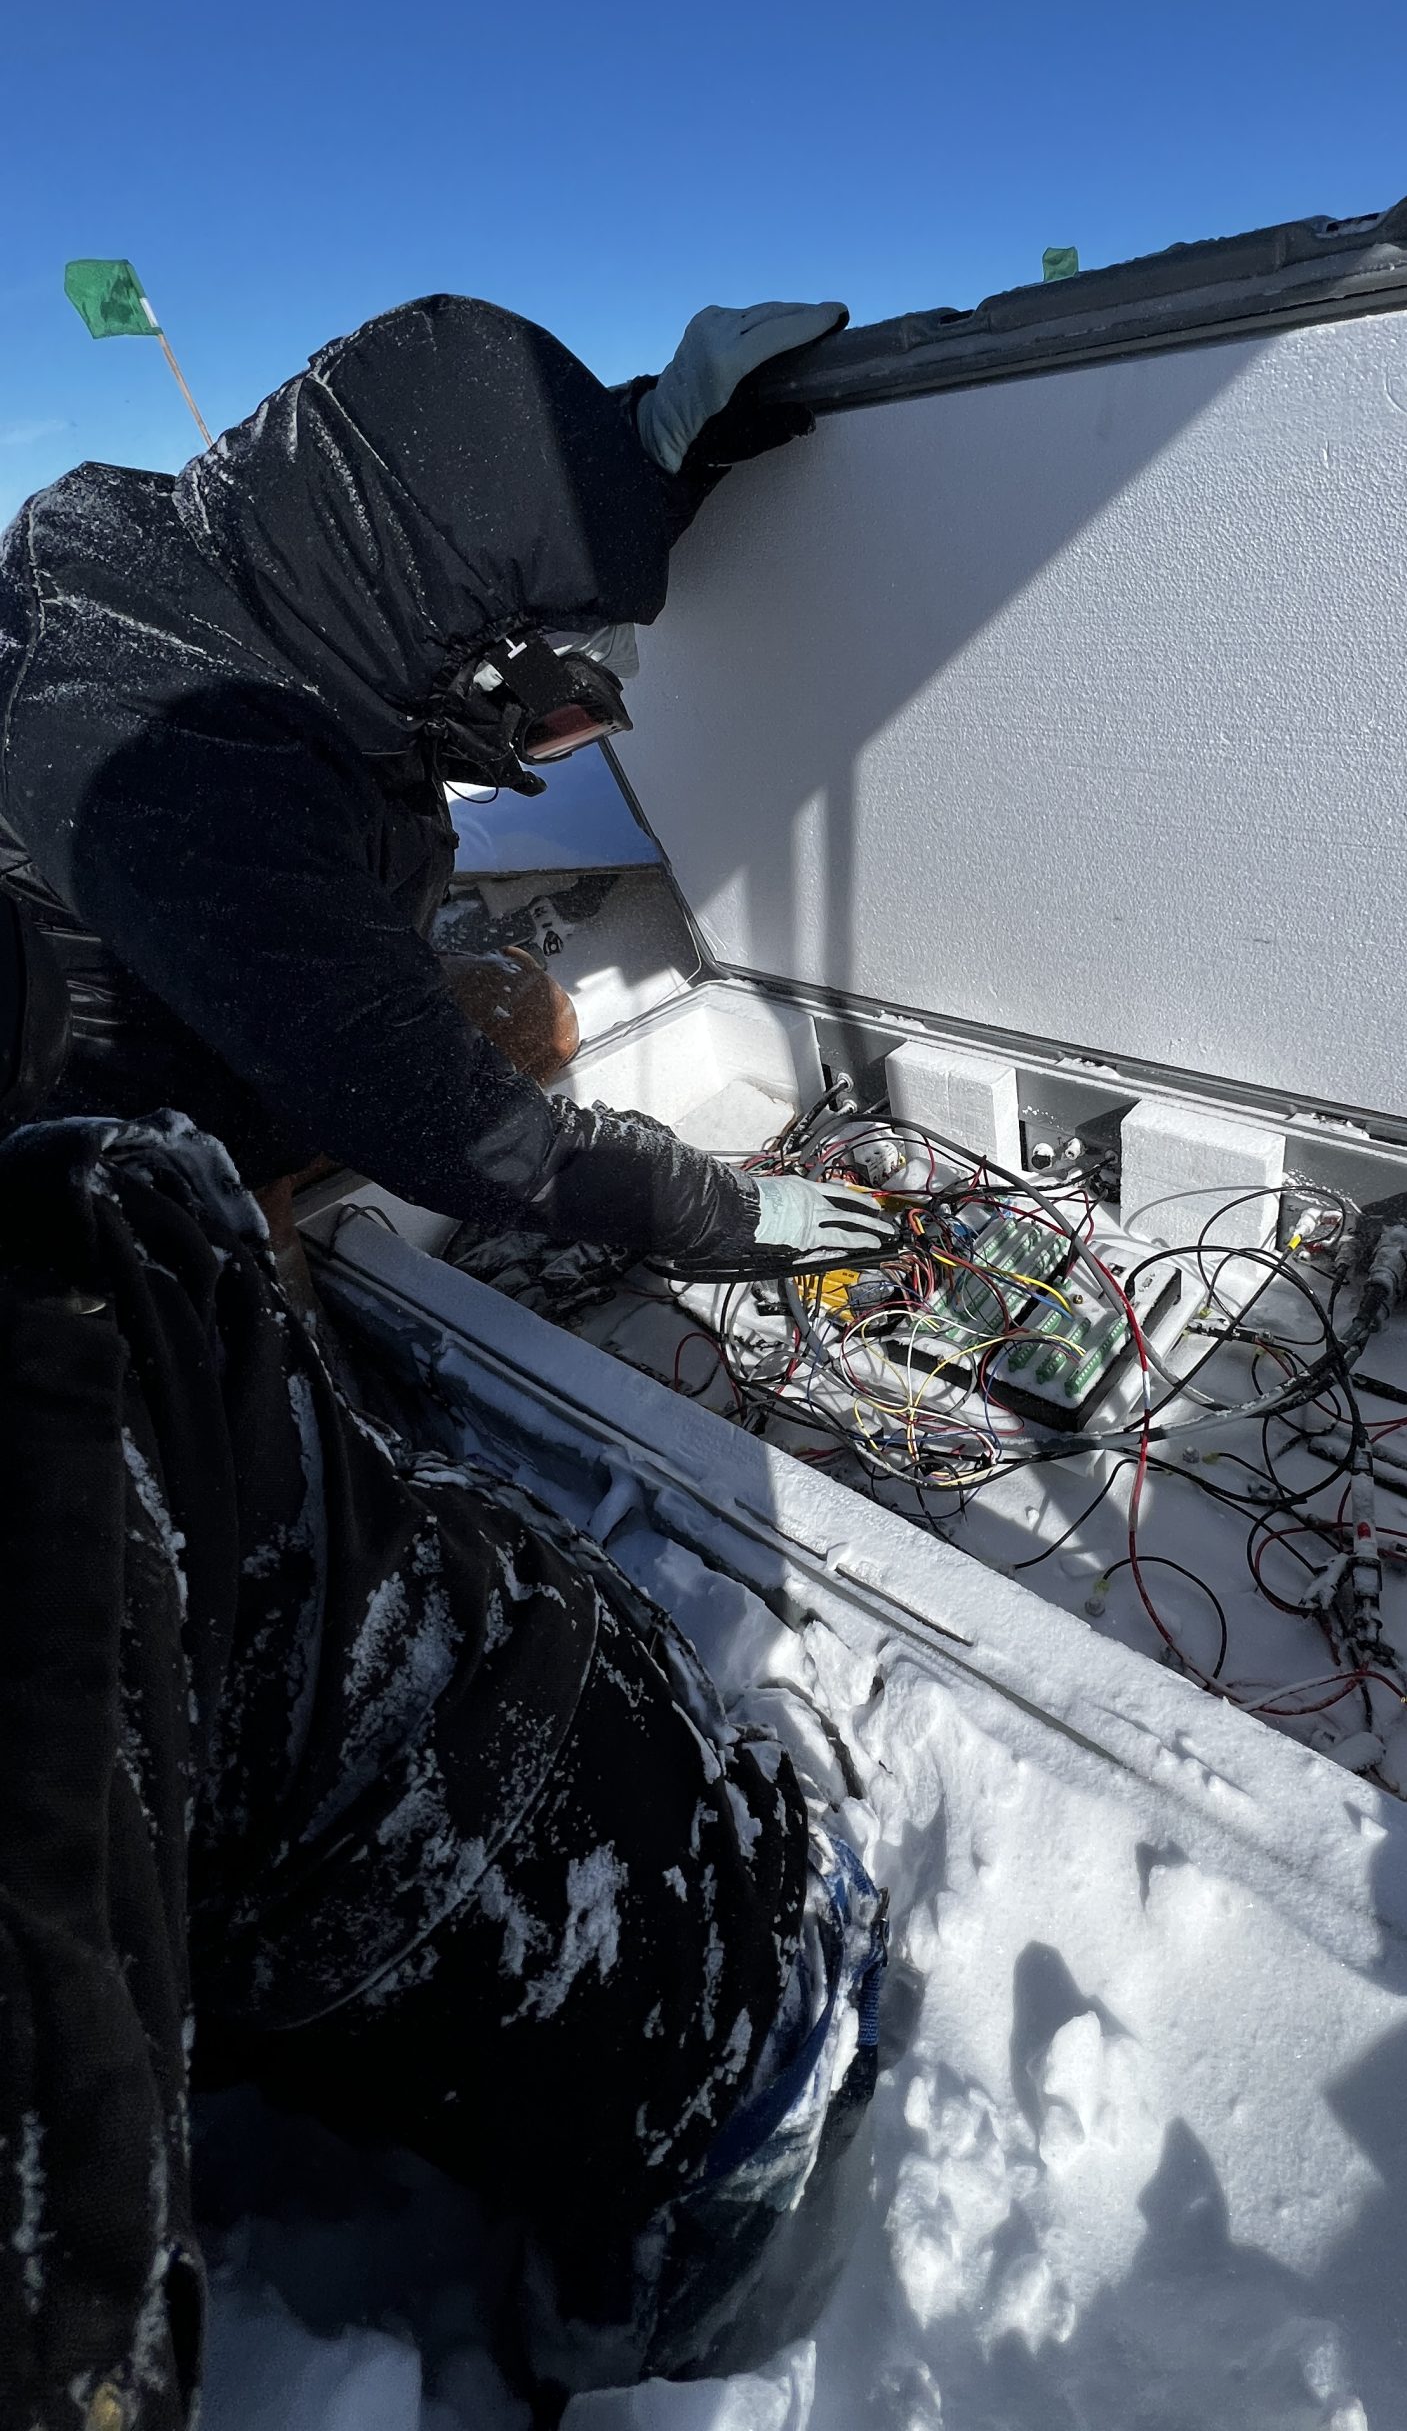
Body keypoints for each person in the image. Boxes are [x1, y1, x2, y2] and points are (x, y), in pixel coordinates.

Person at [0, 889, 887, 2431]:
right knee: (722, 2045)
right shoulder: (51, 1446)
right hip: (518, 1878)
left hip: (380, 1700)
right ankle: (689, 2242)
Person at [0, 293, 891, 1281]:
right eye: (548, 699)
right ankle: (260, 1279)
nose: (546, 726)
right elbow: (426, 1111)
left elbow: (472, 520)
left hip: (258, 992)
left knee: (530, 1013)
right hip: (113, 1110)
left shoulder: (291, 582)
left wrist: (646, 447)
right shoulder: (181, 768)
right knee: (234, 1328)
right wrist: (712, 1214)